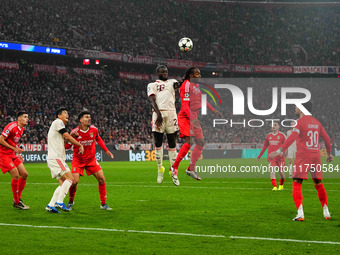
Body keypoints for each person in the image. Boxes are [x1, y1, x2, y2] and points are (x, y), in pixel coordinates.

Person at [269, 102, 333, 221]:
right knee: (318, 184)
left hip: (303, 155)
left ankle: (300, 214)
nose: (295, 108)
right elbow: (327, 139)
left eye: (297, 106)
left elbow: (292, 137)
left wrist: (278, 151)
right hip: (316, 155)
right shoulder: (317, 122)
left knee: (296, 183)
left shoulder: (299, 122)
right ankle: (326, 212)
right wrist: (329, 153)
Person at [170, 67, 222, 186]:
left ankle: (190, 169)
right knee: (189, 141)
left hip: (194, 115)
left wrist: (213, 110)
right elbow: (185, 105)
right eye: (196, 73)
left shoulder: (196, 86)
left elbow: (202, 100)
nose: (199, 75)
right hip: (185, 116)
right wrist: (192, 119)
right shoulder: (186, 85)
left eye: (199, 73)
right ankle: (174, 167)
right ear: (190, 75)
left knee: (200, 142)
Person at [66, 111, 114, 210]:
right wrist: (69, 138)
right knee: (74, 182)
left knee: (102, 179)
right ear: (81, 120)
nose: (89, 119)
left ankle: (103, 204)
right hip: (78, 160)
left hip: (91, 160)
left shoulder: (94, 130)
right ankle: (70, 202)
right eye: (86, 117)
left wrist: (106, 150)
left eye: (89, 117)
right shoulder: (75, 132)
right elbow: (67, 146)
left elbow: (98, 139)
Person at [45, 108, 84, 213]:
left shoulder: (57, 127)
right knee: (70, 178)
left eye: (68, 112)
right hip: (56, 158)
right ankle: (59, 201)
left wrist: (71, 137)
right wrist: (79, 144)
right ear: (59, 115)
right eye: (65, 113)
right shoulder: (58, 122)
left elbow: (64, 142)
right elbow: (66, 135)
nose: (67, 114)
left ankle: (50, 205)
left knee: (63, 183)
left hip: (54, 158)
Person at [147, 65, 180, 184]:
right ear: (158, 73)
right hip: (158, 114)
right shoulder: (152, 85)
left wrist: (184, 80)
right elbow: (151, 100)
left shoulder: (173, 82)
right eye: (162, 71)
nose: (165, 73)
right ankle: (160, 169)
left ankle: (174, 171)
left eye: (166, 71)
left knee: (172, 143)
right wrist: (158, 114)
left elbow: (178, 85)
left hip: (171, 114)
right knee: (158, 142)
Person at [0, 111, 30, 210]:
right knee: (16, 175)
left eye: (27, 117)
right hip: (3, 154)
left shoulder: (22, 129)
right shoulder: (11, 126)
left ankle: (17, 199)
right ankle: (17, 202)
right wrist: (14, 149)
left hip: (12, 154)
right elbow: (1, 139)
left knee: (24, 174)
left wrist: (16, 152)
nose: (27, 119)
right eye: (25, 117)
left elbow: (12, 142)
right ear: (19, 119)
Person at [257, 121, 286, 191]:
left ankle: (281, 185)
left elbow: (285, 145)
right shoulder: (269, 136)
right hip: (271, 157)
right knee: (272, 171)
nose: (274, 127)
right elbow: (265, 146)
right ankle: (275, 187)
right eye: (272, 125)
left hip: (280, 157)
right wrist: (259, 156)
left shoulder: (282, 135)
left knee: (281, 173)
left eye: (275, 125)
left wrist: (283, 152)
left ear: (278, 127)